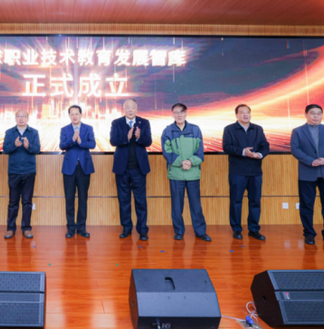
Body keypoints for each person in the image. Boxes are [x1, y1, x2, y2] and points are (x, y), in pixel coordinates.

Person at [290, 104, 324, 247]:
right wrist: (310, 161)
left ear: (322, 115)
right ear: (306, 115)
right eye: (312, 113)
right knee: (306, 205)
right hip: (307, 173)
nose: (316, 116)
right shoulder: (297, 131)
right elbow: (295, 149)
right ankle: (309, 234)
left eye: (318, 113)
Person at [161, 103, 210, 241]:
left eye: (181, 112)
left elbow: (200, 152)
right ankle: (179, 231)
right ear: (172, 114)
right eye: (176, 112)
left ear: (186, 113)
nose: (179, 115)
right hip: (176, 174)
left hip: (193, 173)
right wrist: (181, 162)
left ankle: (200, 231)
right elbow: (167, 152)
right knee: (177, 206)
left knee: (196, 205)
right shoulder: (168, 131)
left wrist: (190, 161)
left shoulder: (195, 129)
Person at [222, 104, 270, 241]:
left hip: (255, 171)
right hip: (237, 172)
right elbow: (227, 147)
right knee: (236, 201)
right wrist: (244, 152)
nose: (245, 115)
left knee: (255, 202)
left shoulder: (257, 129)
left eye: (247, 112)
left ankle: (254, 230)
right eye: (242, 112)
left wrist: (259, 154)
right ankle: (236, 229)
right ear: (236, 115)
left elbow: (265, 146)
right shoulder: (229, 129)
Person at [109, 99, 152, 241]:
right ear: (123, 109)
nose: (130, 110)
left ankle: (143, 230)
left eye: (132, 107)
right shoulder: (116, 123)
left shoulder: (144, 123)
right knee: (124, 201)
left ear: (137, 109)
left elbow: (148, 141)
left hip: (139, 169)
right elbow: (113, 141)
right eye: (127, 107)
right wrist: (126, 138)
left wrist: (139, 138)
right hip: (122, 169)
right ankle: (126, 228)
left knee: (141, 201)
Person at [2, 110, 41, 239]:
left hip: (29, 171)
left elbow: (37, 149)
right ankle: (10, 228)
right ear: (15, 118)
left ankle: (26, 228)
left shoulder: (34, 132)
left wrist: (28, 146)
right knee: (13, 201)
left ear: (28, 118)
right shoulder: (9, 132)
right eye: (18, 116)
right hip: (14, 171)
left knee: (27, 201)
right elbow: (5, 149)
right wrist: (14, 145)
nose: (21, 118)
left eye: (23, 116)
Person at [59, 105, 95, 238]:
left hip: (84, 167)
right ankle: (70, 228)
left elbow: (92, 144)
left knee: (83, 199)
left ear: (81, 115)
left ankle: (81, 228)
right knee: (69, 199)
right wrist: (72, 140)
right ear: (69, 116)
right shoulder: (64, 129)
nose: (74, 116)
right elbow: (62, 145)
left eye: (76, 113)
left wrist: (80, 141)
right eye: (72, 114)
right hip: (69, 168)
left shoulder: (88, 128)